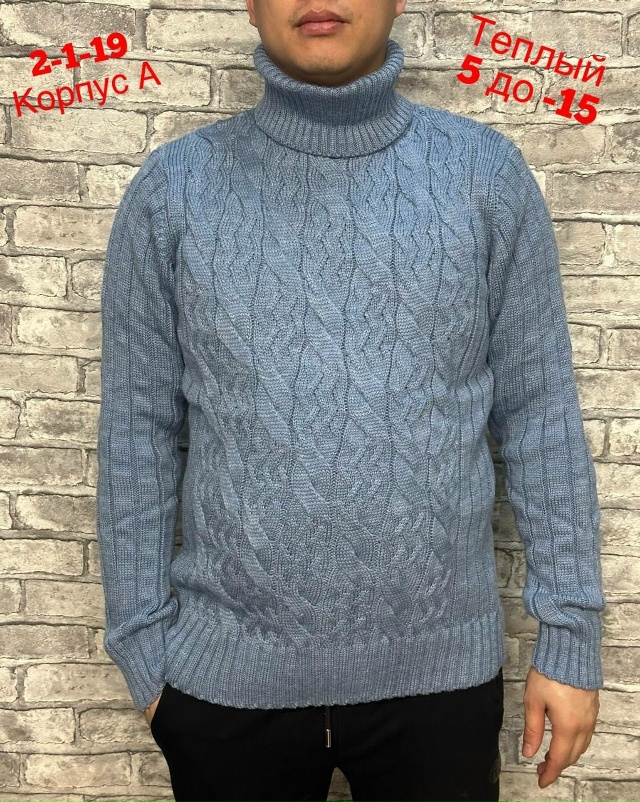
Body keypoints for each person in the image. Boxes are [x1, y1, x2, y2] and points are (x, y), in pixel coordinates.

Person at [96, 1, 606, 800]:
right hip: (225, 688)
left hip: (441, 683)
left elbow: (540, 415)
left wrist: (570, 639)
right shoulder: (174, 190)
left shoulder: (484, 176)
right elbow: (136, 434)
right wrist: (143, 652)